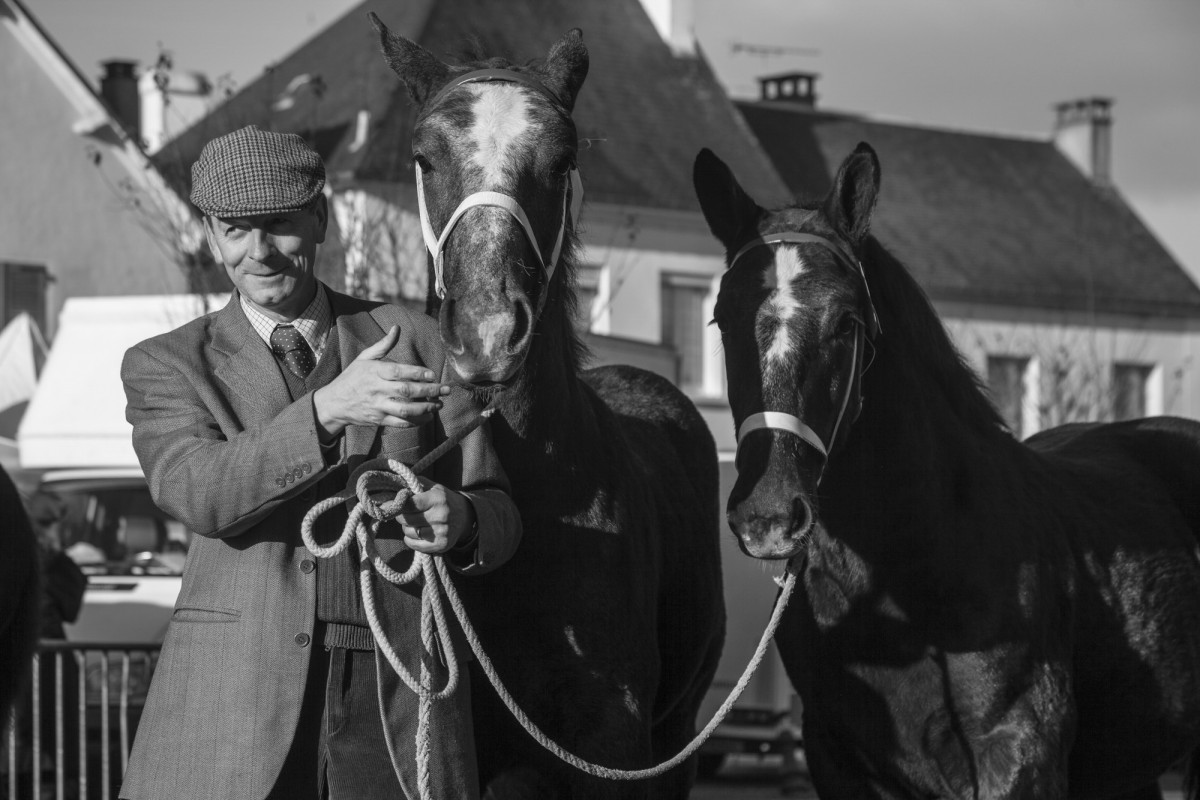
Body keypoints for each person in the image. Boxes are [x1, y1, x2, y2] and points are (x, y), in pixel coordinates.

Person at [118, 125, 522, 800]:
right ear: (212, 235)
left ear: (322, 219)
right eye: (235, 231)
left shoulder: (415, 338)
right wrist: (327, 411)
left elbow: (502, 510)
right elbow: (199, 493)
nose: (258, 252)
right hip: (234, 702)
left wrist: (465, 520)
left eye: (279, 225)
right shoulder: (164, 364)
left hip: (398, 689)